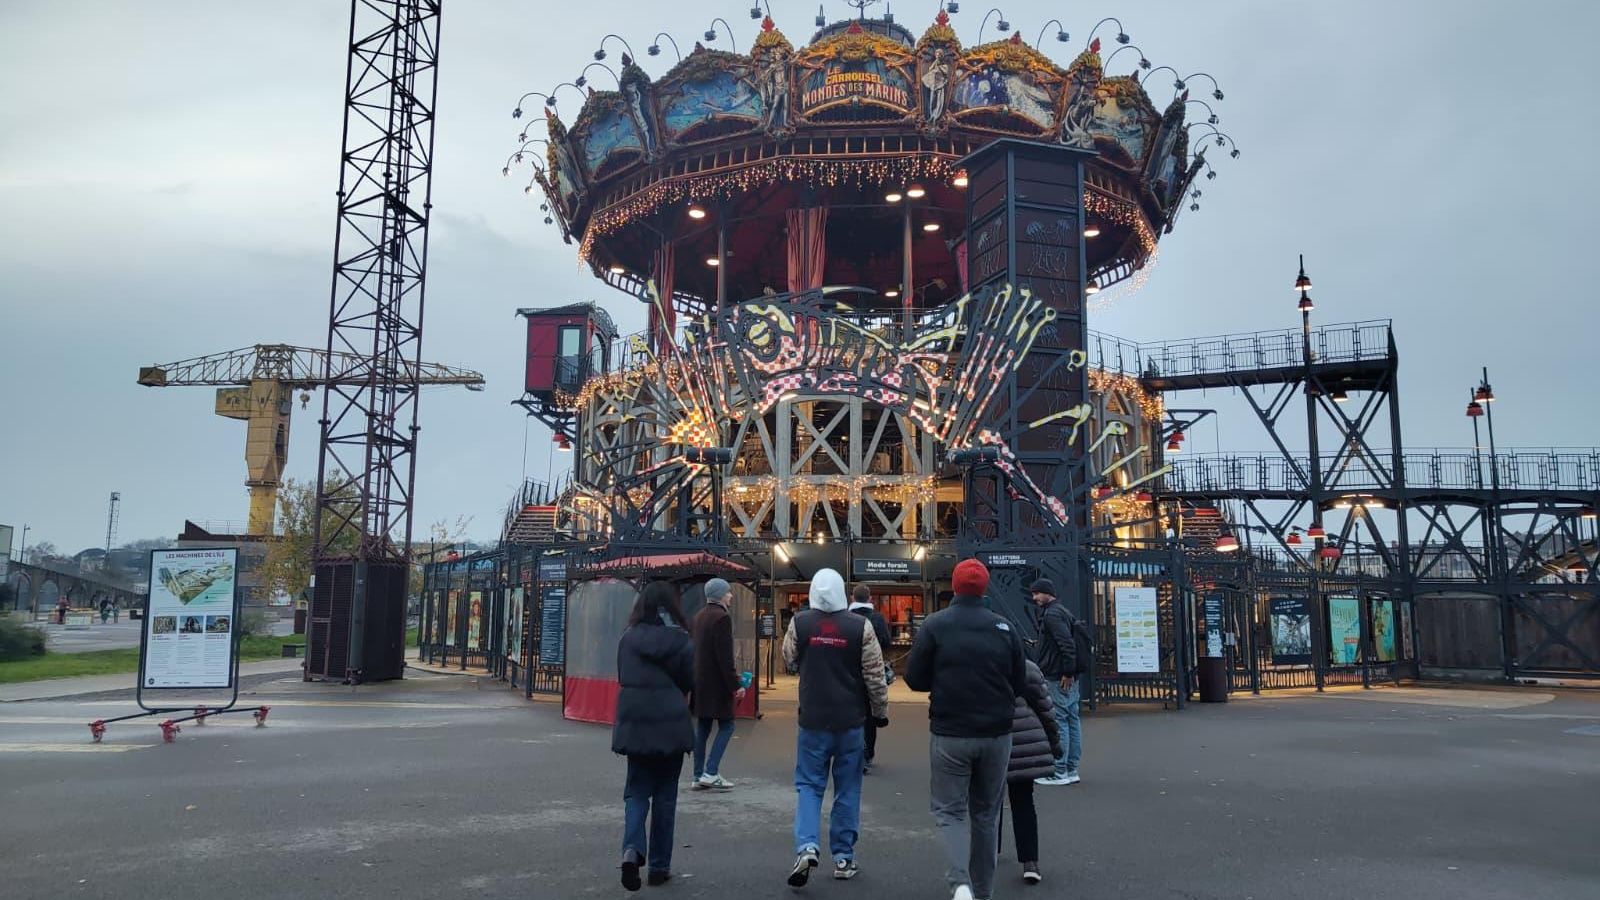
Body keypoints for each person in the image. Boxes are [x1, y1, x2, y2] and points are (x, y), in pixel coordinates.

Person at [905, 559, 1030, 900]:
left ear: (955, 587)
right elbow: (1020, 682)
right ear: (985, 587)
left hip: (951, 731)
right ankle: (984, 890)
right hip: (996, 733)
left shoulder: (935, 625)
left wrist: (943, 680)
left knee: (951, 810)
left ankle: (960, 883)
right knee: (987, 813)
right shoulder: (1005, 628)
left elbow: (914, 678)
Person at [782, 568, 889, 887]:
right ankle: (843, 857)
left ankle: (807, 846)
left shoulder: (800, 622)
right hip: (851, 721)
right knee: (847, 789)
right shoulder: (860, 626)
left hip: (812, 719)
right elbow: (874, 674)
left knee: (809, 785)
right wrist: (880, 711)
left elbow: (788, 658)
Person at [611, 581, 695, 891]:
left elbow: (623, 676)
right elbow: (689, 680)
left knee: (636, 790)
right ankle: (659, 866)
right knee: (665, 796)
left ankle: (632, 850)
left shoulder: (628, 639)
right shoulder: (681, 641)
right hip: (671, 722)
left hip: (636, 722)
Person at [1004, 658, 1063, 887]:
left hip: (990, 736)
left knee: (987, 802)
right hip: (1025, 738)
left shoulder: (976, 662)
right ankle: (1030, 862)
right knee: (1023, 801)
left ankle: (987, 852)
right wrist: (1055, 745)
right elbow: (1045, 709)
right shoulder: (1025, 666)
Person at [690, 577, 745, 789]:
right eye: (728, 592)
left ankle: (697, 776)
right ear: (721, 595)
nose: (731, 596)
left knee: (703, 727)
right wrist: (736, 684)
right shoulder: (722, 618)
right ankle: (711, 771)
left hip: (700, 682)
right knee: (727, 725)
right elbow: (725, 657)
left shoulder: (699, 617)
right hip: (717, 684)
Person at [1028, 578, 1084, 786]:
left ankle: (1059, 770)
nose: (1034, 598)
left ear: (1046, 593)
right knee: (1071, 719)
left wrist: (1067, 671)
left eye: (1036, 593)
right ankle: (1071, 768)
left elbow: (1066, 644)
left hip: (1057, 675)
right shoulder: (1062, 612)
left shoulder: (1051, 615)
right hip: (1068, 674)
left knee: (1059, 721)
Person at [848, 584, 893, 773]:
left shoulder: (846, 618)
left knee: (850, 714)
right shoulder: (877, 619)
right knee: (869, 714)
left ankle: (849, 752)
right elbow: (886, 642)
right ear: (870, 599)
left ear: (852, 598)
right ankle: (867, 753)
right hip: (872, 672)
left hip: (849, 673)